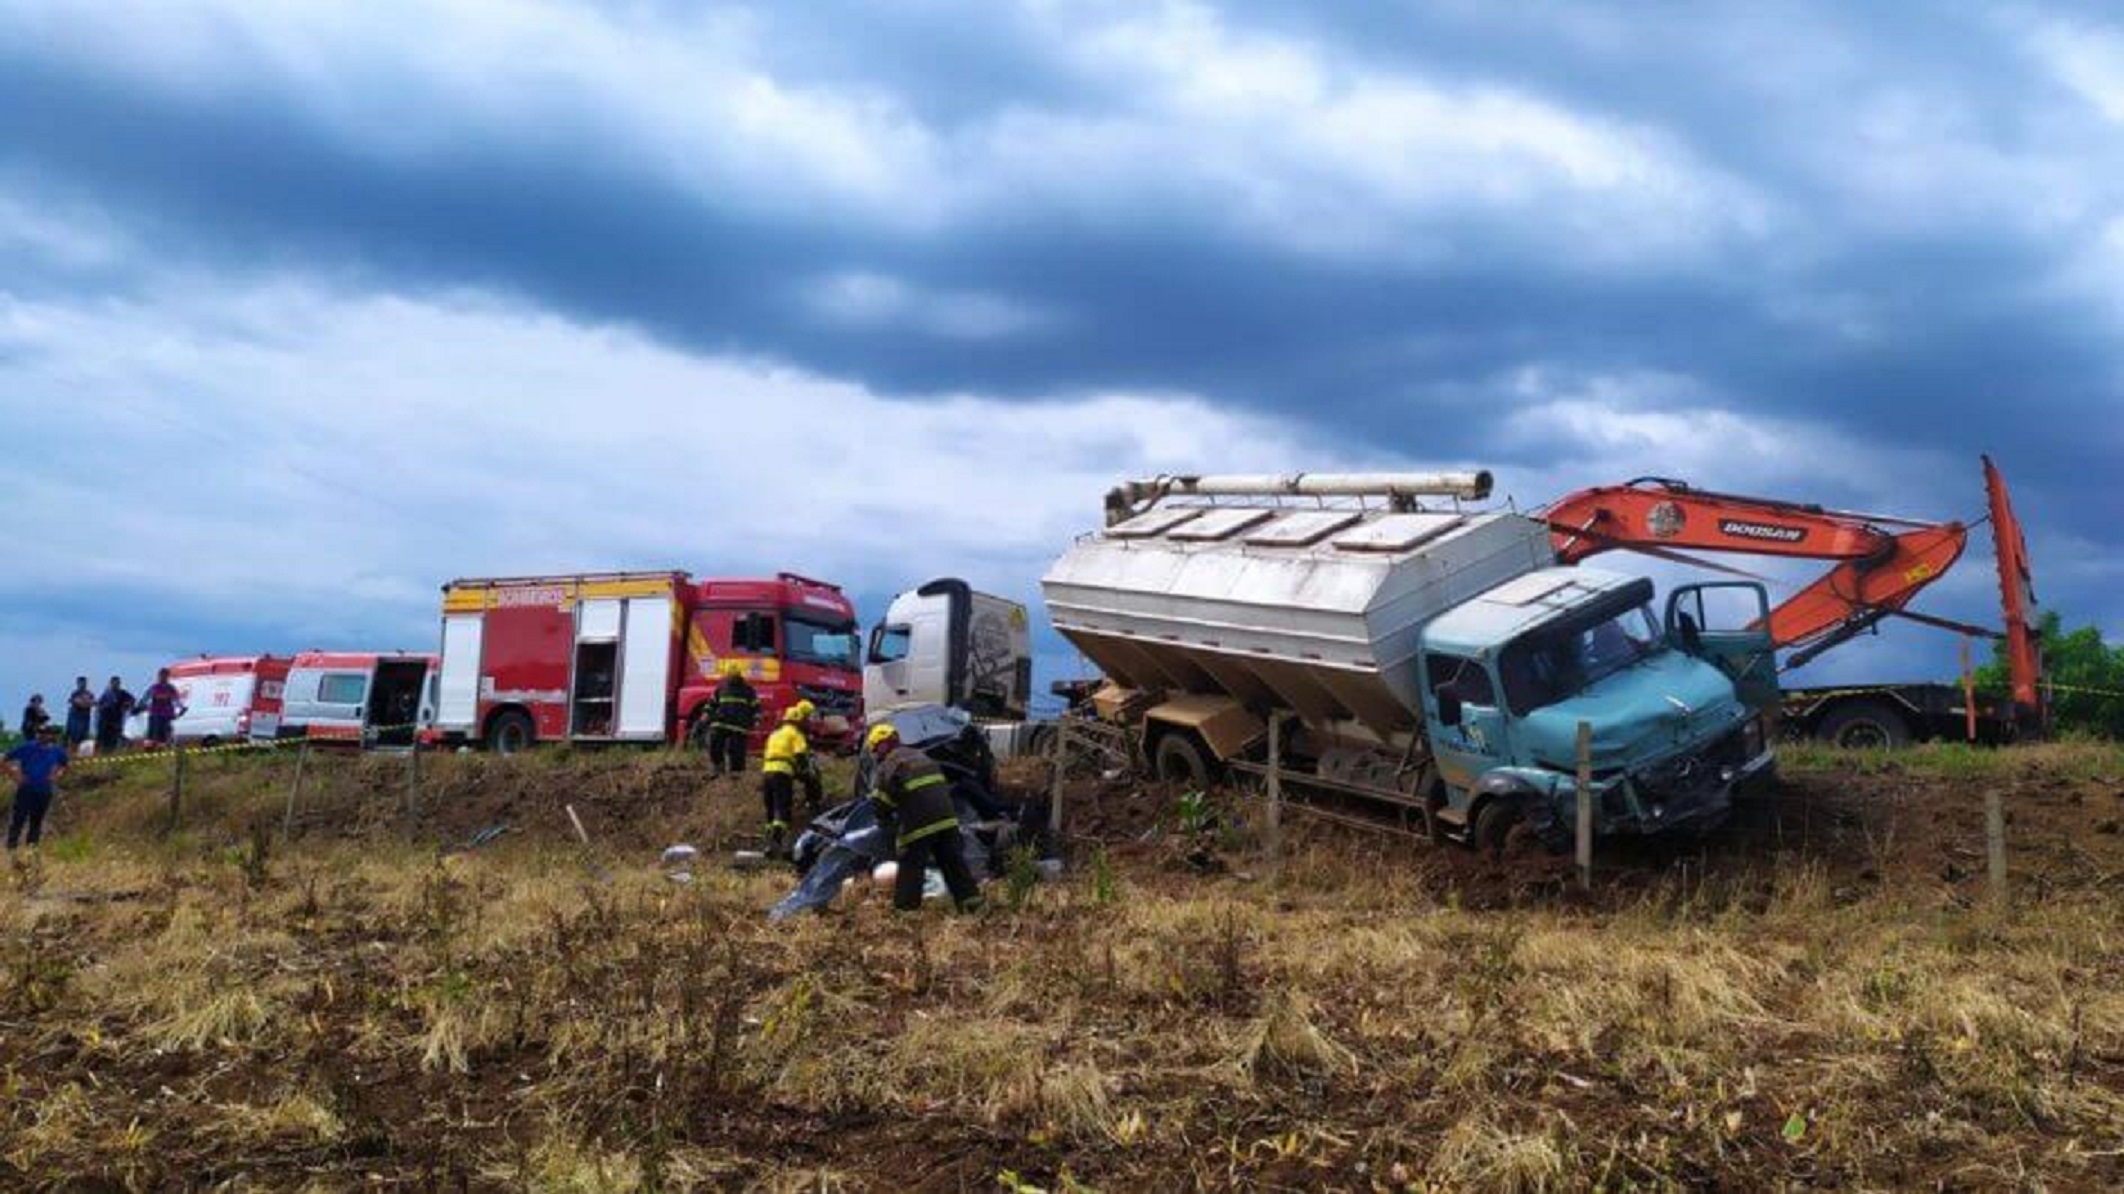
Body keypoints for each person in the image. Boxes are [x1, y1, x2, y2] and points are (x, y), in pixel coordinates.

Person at [865, 722, 982, 913]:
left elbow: (881, 801)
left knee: (910, 868)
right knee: (955, 866)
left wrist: (884, 821)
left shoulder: (890, 765)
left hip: (919, 825)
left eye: (876, 749)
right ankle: (973, 905)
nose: (876, 755)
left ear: (884, 744)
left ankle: (906, 912)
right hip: (948, 820)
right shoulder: (922, 756)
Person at [5, 723, 69, 850]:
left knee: (37, 820)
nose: (43, 736)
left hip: (44, 790)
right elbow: (4, 759)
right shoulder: (27, 747)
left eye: (47, 733)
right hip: (26, 789)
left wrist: (57, 775)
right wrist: (14, 775)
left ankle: (31, 848)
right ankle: (11, 847)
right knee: (19, 818)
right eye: (41, 733)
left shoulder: (57, 751)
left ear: (52, 735)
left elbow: (65, 765)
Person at [759, 704, 811, 858]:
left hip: (767, 772)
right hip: (783, 773)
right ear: (797, 721)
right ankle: (779, 843)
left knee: (770, 808)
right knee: (782, 808)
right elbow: (801, 755)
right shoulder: (796, 734)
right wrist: (804, 773)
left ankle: (769, 843)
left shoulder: (775, 734)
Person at [705, 660, 759, 777]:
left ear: (739, 675)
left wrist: (756, 720)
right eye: (730, 676)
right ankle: (718, 767)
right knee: (715, 742)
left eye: (733, 676)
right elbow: (711, 703)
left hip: (739, 725)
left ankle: (736, 774)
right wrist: (707, 713)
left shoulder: (748, 690)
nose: (731, 678)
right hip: (721, 721)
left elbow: (756, 707)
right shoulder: (721, 688)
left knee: (737, 750)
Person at [140, 668, 185, 747]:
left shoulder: (171, 688)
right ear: (158, 676)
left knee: (163, 735)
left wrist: (182, 708)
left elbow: (176, 700)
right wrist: (144, 706)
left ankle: (162, 749)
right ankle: (150, 749)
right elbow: (145, 699)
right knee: (151, 735)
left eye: (165, 675)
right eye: (161, 675)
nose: (163, 677)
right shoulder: (154, 687)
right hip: (154, 714)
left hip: (166, 715)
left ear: (168, 676)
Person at [94, 676, 135, 754]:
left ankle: (112, 753)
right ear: (111, 683)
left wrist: (126, 705)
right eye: (114, 682)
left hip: (116, 720)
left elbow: (132, 700)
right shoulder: (106, 693)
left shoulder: (122, 693)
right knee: (103, 739)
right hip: (104, 721)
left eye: (117, 683)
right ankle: (101, 754)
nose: (116, 684)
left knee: (114, 740)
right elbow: (99, 704)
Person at [64, 678, 94, 750]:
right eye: (80, 683)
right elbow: (77, 703)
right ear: (77, 683)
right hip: (75, 718)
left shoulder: (89, 693)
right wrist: (85, 703)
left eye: (84, 682)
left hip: (85, 718)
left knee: (84, 737)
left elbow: (92, 703)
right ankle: (72, 751)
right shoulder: (75, 693)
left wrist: (84, 703)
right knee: (73, 736)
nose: (82, 684)